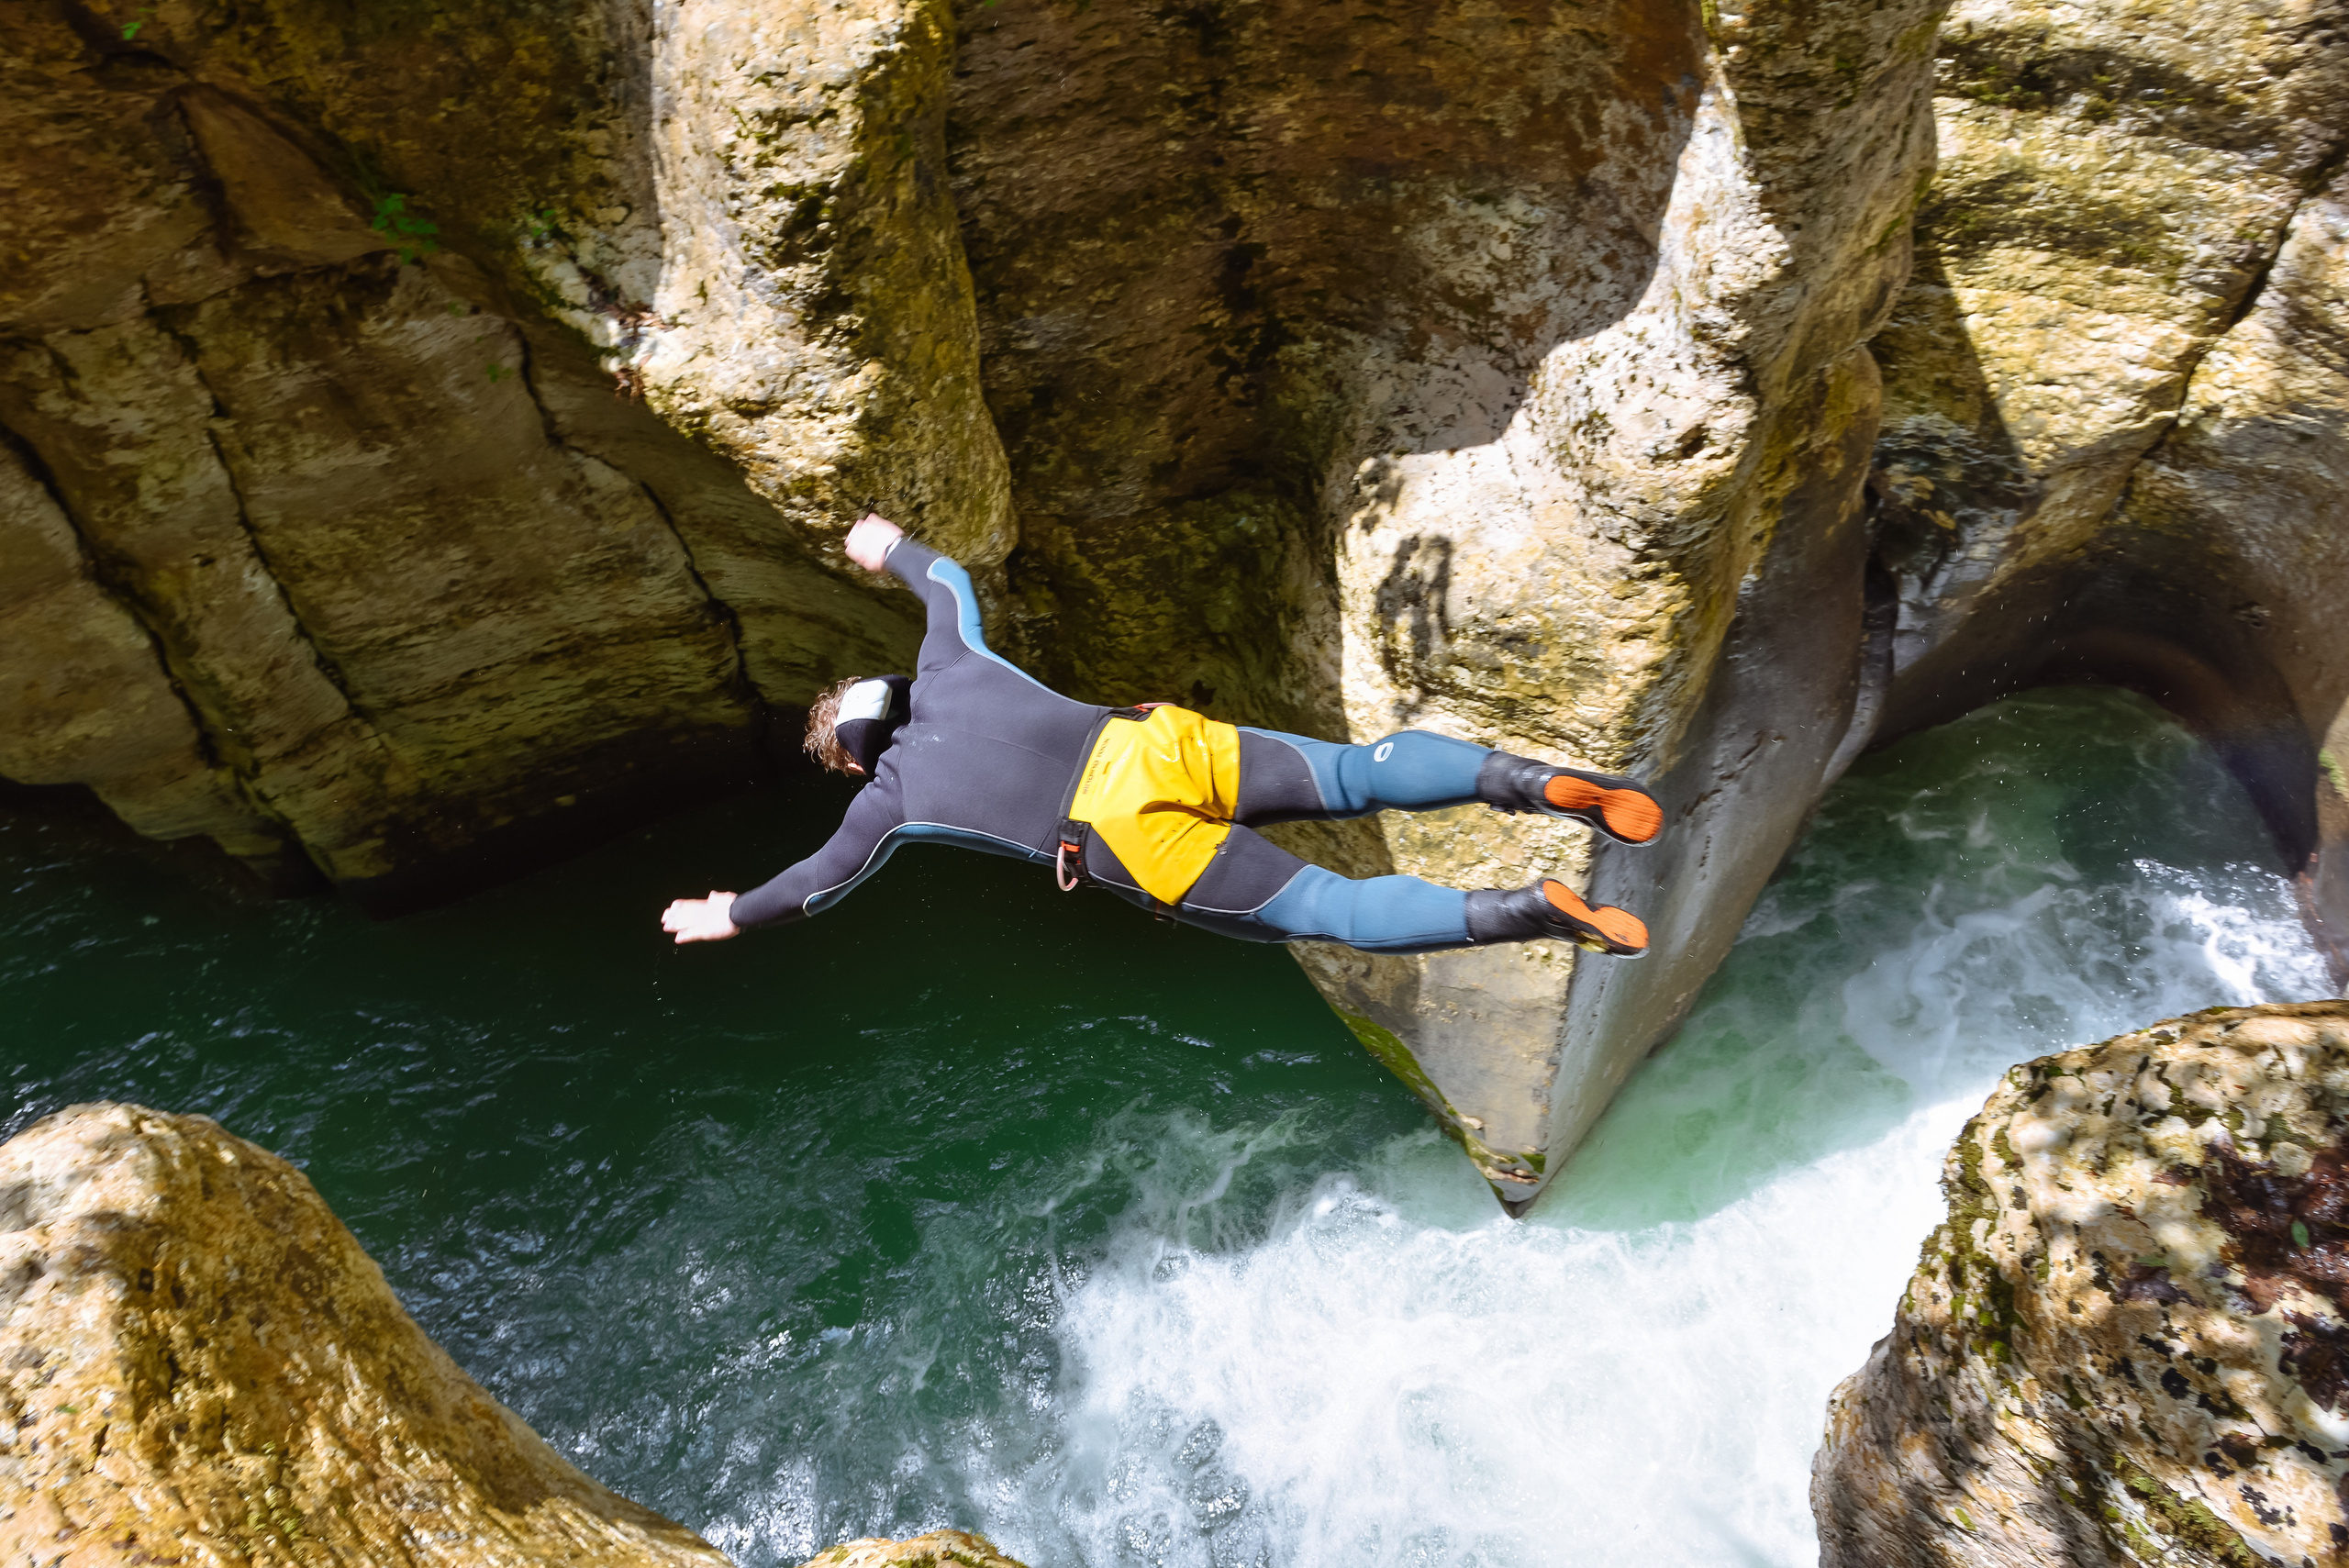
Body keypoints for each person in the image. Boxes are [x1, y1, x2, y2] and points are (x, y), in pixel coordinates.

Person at [661, 516, 1663, 957]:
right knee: (1357, 773)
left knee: (1335, 909)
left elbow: (818, 881)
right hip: (1156, 743)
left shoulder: (886, 802)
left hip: (1126, 833)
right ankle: (1533, 779)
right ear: (891, 688)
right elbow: (947, 582)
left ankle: (1527, 909)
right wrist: (890, 548)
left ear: (853, 759)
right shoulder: (950, 663)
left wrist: (732, 912)